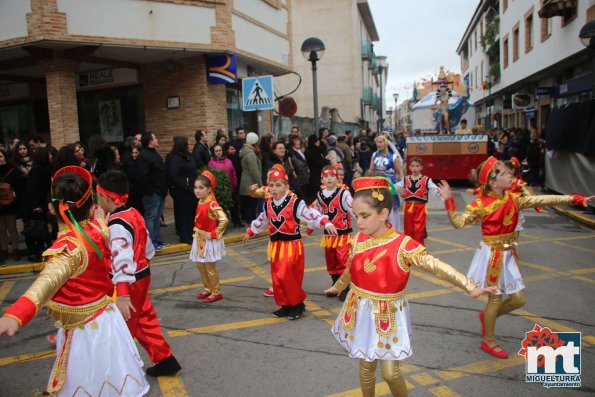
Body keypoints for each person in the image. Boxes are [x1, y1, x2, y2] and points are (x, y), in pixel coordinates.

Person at [325, 177, 496, 397]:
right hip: (361, 307)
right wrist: (339, 286)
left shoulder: (402, 245)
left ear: (384, 214)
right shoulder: (357, 239)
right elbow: (351, 268)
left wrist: (469, 286)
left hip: (388, 312)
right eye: (356, 216)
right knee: (366, 366)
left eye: (365, 216)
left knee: (390, 373)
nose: (359, 222)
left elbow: (436, 266)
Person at [0, 166, 149, 396]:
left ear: (51, 207)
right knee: (111, 376)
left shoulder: (68, 250)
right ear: (91, 205)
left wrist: (16, 315)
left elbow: (44, 285)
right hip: (106, 318)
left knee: (89, 380)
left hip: (85, 329)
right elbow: (113, 247)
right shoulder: (98, 229)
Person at [437, 156, 594, 359]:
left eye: (508, 172)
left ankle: (488, 317)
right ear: (493, 183)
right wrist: (449, 200)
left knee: (519, 298)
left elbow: (541, 199)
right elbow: (458, 222)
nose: (509, 175)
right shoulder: (481, 205)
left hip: (509, 254)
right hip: (493, 255)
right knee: (495, 300)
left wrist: (574, 199)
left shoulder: (513, 198)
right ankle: (489, 340)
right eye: (503, 173)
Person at [97, 170, 182, 377]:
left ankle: (124, 373)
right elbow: (147, 244)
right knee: (144, 318)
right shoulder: (133, 212)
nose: (98, 201)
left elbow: (121, 261)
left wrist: (123, 293)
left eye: (99, 197)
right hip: (142, 274)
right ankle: (165, 359)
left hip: (128, 282)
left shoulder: (116, 224)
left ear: (107, 198)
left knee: (123, 327)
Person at [243, 166, 338, 320]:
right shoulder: (268, 204)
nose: (274, 188)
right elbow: (262, 220)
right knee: (277, 278)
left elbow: (310, 213)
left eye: (278, 185)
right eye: (272, 185)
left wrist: (326, 222)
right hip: (275, 246)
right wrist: (250, 231)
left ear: (287, 187)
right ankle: (286, 304)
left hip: (291, 246)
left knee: (287, 275)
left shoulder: (294, 202)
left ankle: (298, 303)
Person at [308, 165, 353, 301]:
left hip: (343, 234)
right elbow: (316, 213)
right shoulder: (320, 195)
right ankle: (335, 284)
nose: (329, 179)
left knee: (343, 260)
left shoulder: (344, 193)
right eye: (326, 176)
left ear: (337, 178)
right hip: (328, 236)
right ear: (322, 179)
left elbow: (353, 209)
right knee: (331, 261)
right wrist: (311, 226)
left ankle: (345, 287)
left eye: (332, 176)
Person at [191, 171, 228, 303]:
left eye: (201, 188)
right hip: (199, 238)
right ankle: (208, 288)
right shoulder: (201, 201)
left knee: (209, 267)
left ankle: (216, 291)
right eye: (195, 187)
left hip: (208, 240)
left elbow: (224, 220)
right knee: (200, 266)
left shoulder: (212, 204)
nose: (197, 190)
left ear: (209, 189)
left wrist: (213, 233)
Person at [395, 156, 440, 246]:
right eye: (412, 166)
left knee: (418, 230)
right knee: (408, 230)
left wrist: (443, 193)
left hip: (420, 208)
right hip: (408, 207)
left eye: (417, 166)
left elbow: (435, 190)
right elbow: (395, 187)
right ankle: (409, 249)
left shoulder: (426, 180)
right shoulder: (405, 179)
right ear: (409, 167)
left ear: (421, 167)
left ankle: (419, 250)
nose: (414, 168)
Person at [137, 132, 169, 250]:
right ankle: (151, 241)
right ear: (150, 141)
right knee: (151, 217)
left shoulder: (154, 153)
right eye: (155, 138)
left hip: (160, 191)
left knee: (157, 217)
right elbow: (143, 176)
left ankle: (157, 238)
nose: (157, 140)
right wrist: (151, 191)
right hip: (153, 193)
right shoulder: (144, 155)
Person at [166, 137, 198, 244]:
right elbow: (173, 175)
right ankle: (185, 236)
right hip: (182, 191)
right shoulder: (175, 158)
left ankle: (190, 233)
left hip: (191, 190)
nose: (189, 146)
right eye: (187, 144)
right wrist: (186, 186)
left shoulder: (188, 156)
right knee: (183, 214)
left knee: (190, 213)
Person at [369, 135, 403, 230]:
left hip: (390, 186)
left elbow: (400, 172)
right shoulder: (374, 155)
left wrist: (402, 186)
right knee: (377, 207)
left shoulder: (394, 157)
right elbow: (370, 170)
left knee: (390, 209)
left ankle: (393, 229)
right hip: (376, 185)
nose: (378, 144)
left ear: (386, 143)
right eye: (377, 142)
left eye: (381, 142)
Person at [0, 149, 22, 261]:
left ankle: (15, 249)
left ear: (4, 157)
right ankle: (4, 250)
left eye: (1, 156)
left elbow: (19, 186)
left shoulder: (13, 171)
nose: (0, 159)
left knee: (12, 227)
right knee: (1, 229)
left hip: (10, 204)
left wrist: (15, 196)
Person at [239, 132, 262, 224]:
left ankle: (250, 225)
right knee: (251, 206)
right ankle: (251, 226)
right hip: (251, 183)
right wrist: (260, 185)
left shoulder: (244, 151)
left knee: (249, 205)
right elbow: (254, 171)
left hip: (245, 182)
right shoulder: (251, 154)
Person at [305, 134, 331, 203]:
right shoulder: (312, 151)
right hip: (315, 174)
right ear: (315, 142)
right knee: (315, 191)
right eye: (317, 141)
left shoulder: (316, 150)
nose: (319, 142)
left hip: (317, 174)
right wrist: (326, 159)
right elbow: (319, 162)